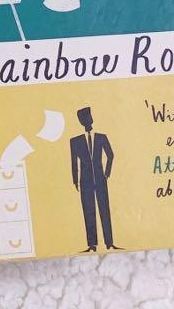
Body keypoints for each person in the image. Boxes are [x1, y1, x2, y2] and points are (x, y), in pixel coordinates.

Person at [69, 106, 118, 252]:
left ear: (92, 119)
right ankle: (92, 245)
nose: (87, 121)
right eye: (83, 119)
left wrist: (106, 174)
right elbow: (74, 162)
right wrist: (75, 180)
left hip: (101, 179)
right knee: (88, 211)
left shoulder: (101, 137)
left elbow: (110, 155)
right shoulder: (75, 141)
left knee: (104, 210)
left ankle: (109, 242)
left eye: (88, 118)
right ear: (81, 122)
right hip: (85, 181)